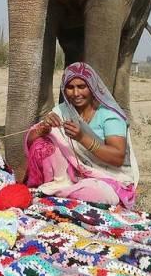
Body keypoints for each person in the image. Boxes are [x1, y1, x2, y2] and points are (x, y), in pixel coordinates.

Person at [25, 62, 139, 208]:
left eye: (82, 87)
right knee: (42, 145)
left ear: (92, 87)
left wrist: (82, 138)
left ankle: (58, 194)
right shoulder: (63, 111)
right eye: (70, 88)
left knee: (92, 193)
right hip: (71, 176)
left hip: (108, 178)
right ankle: (63, 190)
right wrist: (44, 128)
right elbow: (30, 140)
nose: (76, 93)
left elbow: (117, 158)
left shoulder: (109, 115)